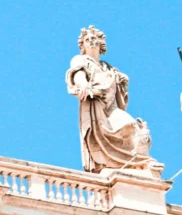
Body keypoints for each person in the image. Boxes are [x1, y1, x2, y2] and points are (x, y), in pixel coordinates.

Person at [65, 26, 153, 172]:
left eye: (94, 39)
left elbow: (119, 94)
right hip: (96, 104)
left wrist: (122, 82)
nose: (91, 42)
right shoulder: (80, 59)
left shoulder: (109, 68)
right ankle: (120, 164)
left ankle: (140, 163)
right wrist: (84, 84)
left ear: (100, 43)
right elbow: (77, 74)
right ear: (83, 45)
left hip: (111, 108)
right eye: (87, 40)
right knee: (113, 133)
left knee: (132, 126)